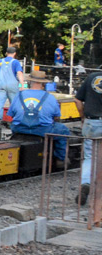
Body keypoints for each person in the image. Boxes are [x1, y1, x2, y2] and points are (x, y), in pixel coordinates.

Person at [9, 70, 73, 169]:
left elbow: (11, 114)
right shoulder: (50, 97)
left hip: (19, 128)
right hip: (41, 130)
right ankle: (61, 158)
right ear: (44, 84)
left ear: (30, 82)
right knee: (63, 130)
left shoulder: (19, 95)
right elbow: (56, 116)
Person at [75, 62, 102, 205]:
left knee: (89, 156)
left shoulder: (91, 77)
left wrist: (82, 117)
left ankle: (86, 183)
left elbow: (77, 100)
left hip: (91, 122)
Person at [0, 46, 24, 121]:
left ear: (6, 53)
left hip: (1, 84)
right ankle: (16, 118)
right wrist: (22, 85)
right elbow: (19, 73)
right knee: (14, 102)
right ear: (15, 53)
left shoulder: (0, 61)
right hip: (12, 85)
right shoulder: (16, 62)